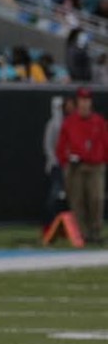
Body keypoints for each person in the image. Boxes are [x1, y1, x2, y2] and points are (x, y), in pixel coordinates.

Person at [55, 87, 107, 244]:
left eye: (87, 100)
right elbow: (61, 146)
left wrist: (102, 159)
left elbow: (105, 142)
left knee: (96, 199)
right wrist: (65, 162)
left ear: (90, 102)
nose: (84, 104)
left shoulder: (99, 122)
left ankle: (95, 233)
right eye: (82, 101)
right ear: (77, 103)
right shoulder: (69, 122)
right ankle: (82, 234)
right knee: (77, 201)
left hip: (95, 165)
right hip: (76, 167)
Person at [43, 95, 76, 226]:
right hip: (56, 166)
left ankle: (69, 224)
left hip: (69, 165)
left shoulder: (70, 123)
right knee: (55, 193)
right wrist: (55, 161)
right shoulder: (52, 124)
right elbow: (47, 145)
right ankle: (51, 222)